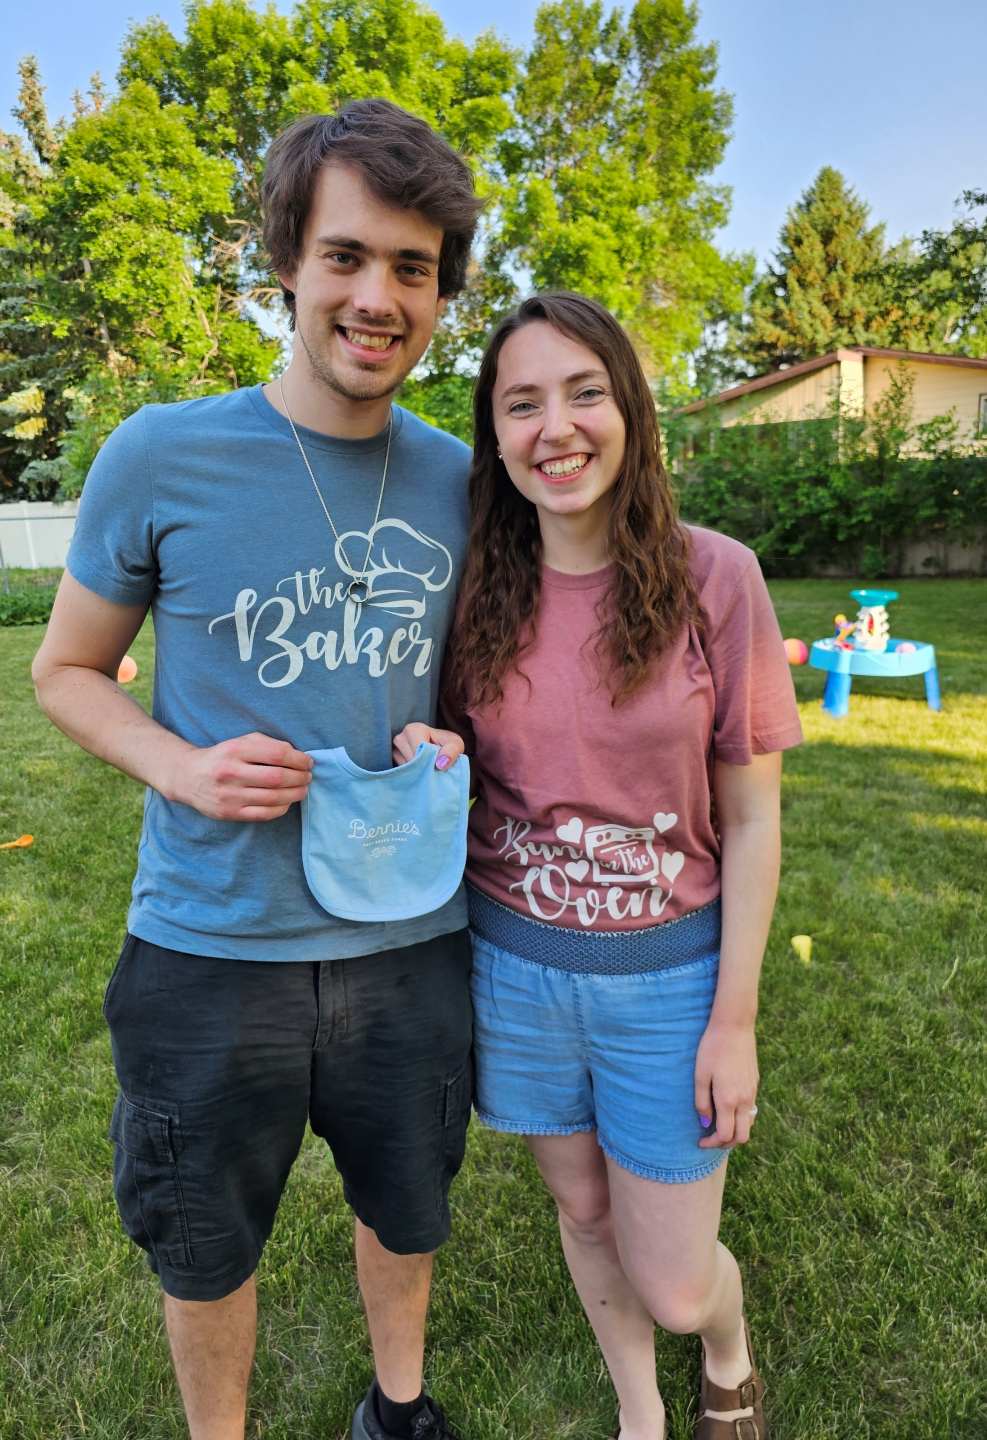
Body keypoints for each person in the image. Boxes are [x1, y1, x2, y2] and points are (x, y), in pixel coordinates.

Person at [31, 100, 480, 1440]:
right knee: (201, 1236)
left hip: (411, 931)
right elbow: (64, 673)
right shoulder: (162, 453)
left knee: (405, 1201)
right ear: (285, 260)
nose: (378, 296)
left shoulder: (467, 480)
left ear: (443, 292)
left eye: (414, 267)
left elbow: (478, 683)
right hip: (211, 943)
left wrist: (447, 734)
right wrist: (178, 766)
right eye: (347, 256)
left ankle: (398, 1410)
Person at [440, 293, 803, 1440]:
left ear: (632, 412)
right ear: (495, 438)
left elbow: (751, 820)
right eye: (522, 403)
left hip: (667, 985)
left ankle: (726, 1355)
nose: (557, 426)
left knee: (680, 1281)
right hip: (517, 972)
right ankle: (642, 1411)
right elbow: (458, 768)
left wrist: (732, 1019)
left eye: (585, 392)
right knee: (584, 1211)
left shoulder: (717, 579)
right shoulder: (474, 593)